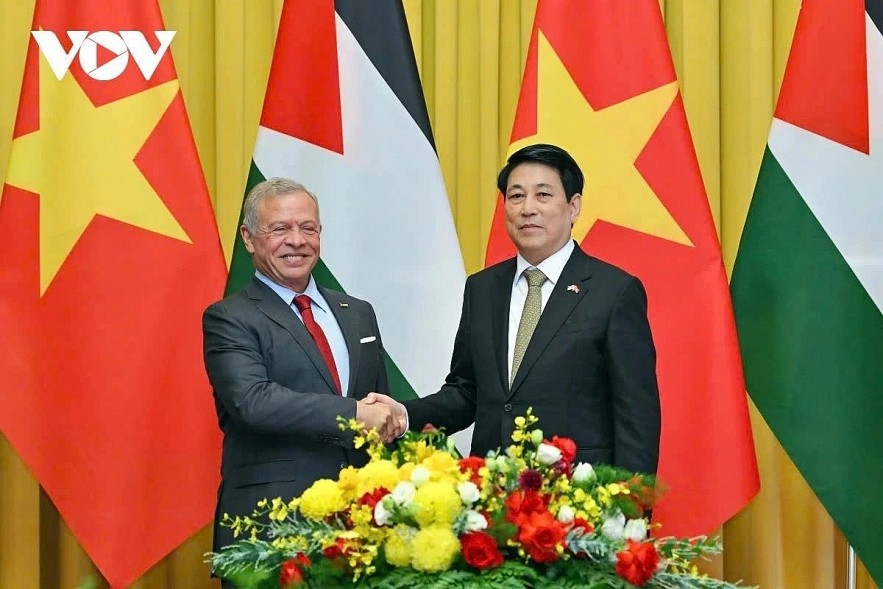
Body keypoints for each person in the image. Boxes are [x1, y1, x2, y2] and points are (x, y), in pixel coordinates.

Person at [372, 143, 661, 475]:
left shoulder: (613, 291)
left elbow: (636, 416)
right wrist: (404, 415)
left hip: (578, 493)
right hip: (491, 492)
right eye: (516, 196)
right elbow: (466, 393)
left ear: (573, 207)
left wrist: (630, 500)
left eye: (543, 195)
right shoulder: (482, 288)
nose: (527, 209)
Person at [203, 177, 400, 561]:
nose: (297, 240)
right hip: (269, 527)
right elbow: (253, 402)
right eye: (280, 229)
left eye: (308, 228)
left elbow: (378, 404)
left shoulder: (358, 312)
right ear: (248, 238)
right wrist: (354, 413)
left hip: (361, 525)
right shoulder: (229, 317)